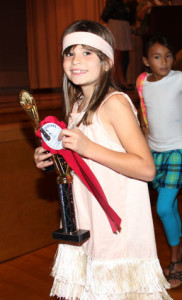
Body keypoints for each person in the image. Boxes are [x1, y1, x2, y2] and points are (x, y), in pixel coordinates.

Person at [34, 20, 171, 299]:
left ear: (106, 62)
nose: (76, 60)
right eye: (70, 52)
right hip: (88, 220)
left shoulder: (114, 104)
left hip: (117, 228)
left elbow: (146, 169)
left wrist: (87, 147)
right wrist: (54, 161)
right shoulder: (77, 105)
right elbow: (84, 164)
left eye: (87, 53)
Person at [136, 33, 182, 289]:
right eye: (156, 57)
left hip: (178, 151)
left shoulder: (178, 79)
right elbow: (145, 113)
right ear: (145, 61)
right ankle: (180, 255)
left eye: (168, 56)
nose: (164, 61)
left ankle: (176, 262)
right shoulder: (142, 81)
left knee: (163, 207)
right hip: (154, 152)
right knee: (171, 207)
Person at [101, 0, 134, 90]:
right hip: (117, 24)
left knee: (121, 56)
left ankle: (122, 81)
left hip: (123, 25)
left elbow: (131, 17)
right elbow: (105, 15)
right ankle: (111, 82)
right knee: (116, 55)